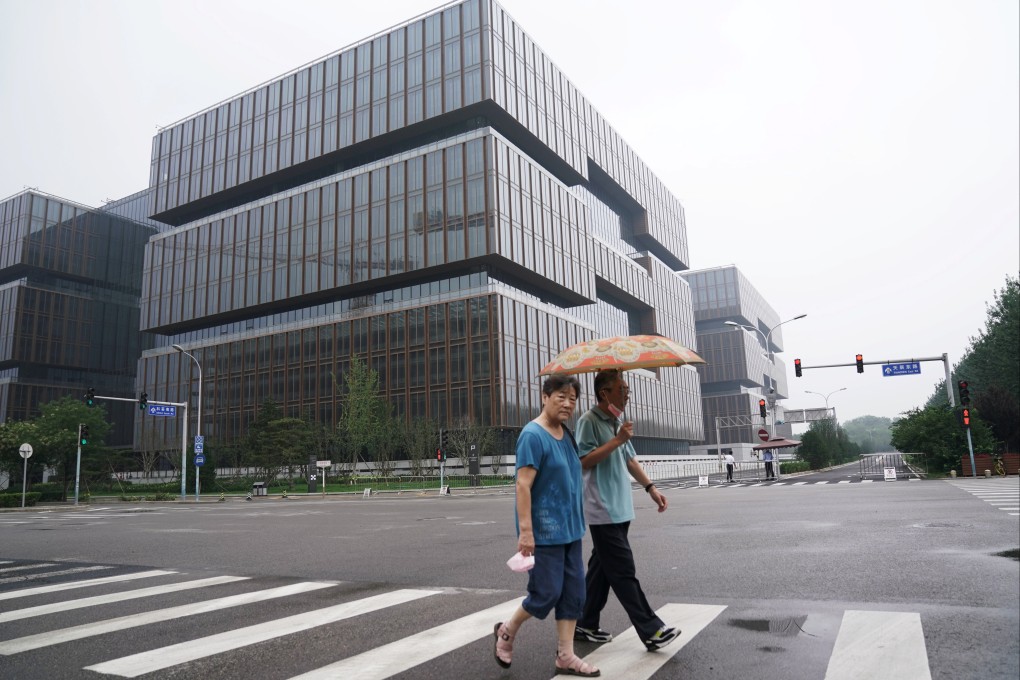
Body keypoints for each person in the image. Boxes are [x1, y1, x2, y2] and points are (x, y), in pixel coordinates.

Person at [494, 373, 600, 677]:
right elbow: (523, 485)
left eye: (573, 399)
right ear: (544, 397)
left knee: (573, 593)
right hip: (544, 532)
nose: (567, 404)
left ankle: (565, 655)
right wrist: (526, 532)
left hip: (570, 529)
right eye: (561, 397)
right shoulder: (532, 435)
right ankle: (506, 630)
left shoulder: (566, 434)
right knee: (546, 593)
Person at [573, 369, 680, 652]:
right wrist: (617, 440)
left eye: (627, 388)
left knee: (601, 569)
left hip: (621, 508)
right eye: (622, 388)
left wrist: (651, 489)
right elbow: (583, 461)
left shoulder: (616, 422)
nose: (627, 393)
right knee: (622, 570)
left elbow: (630, 460)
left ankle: (585, 622)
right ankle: (651, 629)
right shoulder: (589, 421)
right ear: (604, 392)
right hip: (602, 509)